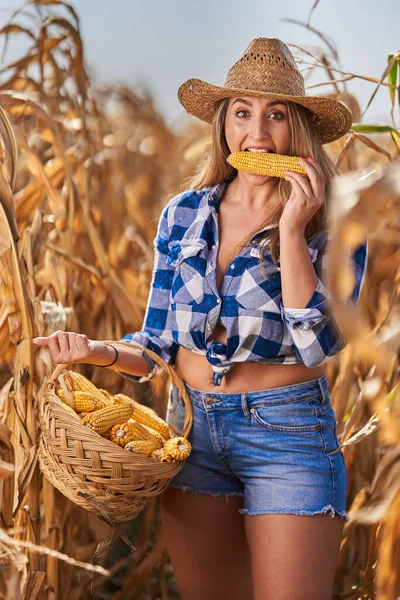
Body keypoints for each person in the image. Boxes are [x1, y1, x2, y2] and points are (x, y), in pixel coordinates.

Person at [33, 38, 368, 600]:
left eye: (275, 115)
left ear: (299, 131)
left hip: (286, 435)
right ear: (223, 124)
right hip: (192, 434)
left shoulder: (334, 223)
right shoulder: (185, 213)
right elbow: (158, 343)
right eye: (242, 112)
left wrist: (290, 229)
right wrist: (92, 350)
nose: (256, 132)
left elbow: (317, 342)